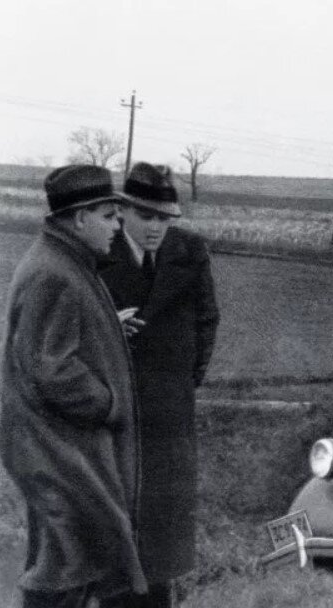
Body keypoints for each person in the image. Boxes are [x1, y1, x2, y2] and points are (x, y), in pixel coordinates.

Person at [0, 165, 147, 607]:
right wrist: (109, 404)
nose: (117, 226)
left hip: (56, 449)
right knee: (65, 571)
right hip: (59, 454)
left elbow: (49, 345)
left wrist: (104, 328)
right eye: (108, 215)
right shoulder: (56, 273)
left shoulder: (62, 261)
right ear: (80, 218)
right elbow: (53, 371)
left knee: (74, 565)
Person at [100, 163, 220, 608]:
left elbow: (208, 318)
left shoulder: (189, 251)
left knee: (165, 528)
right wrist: (109, 328)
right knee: (120, 520)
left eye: (164, 218)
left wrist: (187, 379)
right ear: (123, 211)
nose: (156, 228)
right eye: (146, 217)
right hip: (117, 408)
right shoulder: (99, 250)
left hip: (171, 410)